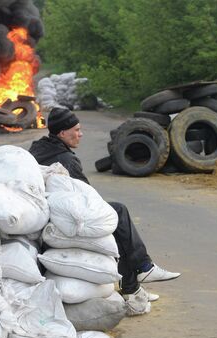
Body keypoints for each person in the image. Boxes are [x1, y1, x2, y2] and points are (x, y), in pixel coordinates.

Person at [29, 107, 180, 314]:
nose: (80, 134)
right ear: (62, 133)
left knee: (113, 226)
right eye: (76, 130)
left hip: (48, 215)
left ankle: (134, 287)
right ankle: (143, 270)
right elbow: (86, 197)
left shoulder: (40, 149)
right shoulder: (65, 159)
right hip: (64, 219)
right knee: (115, 214)